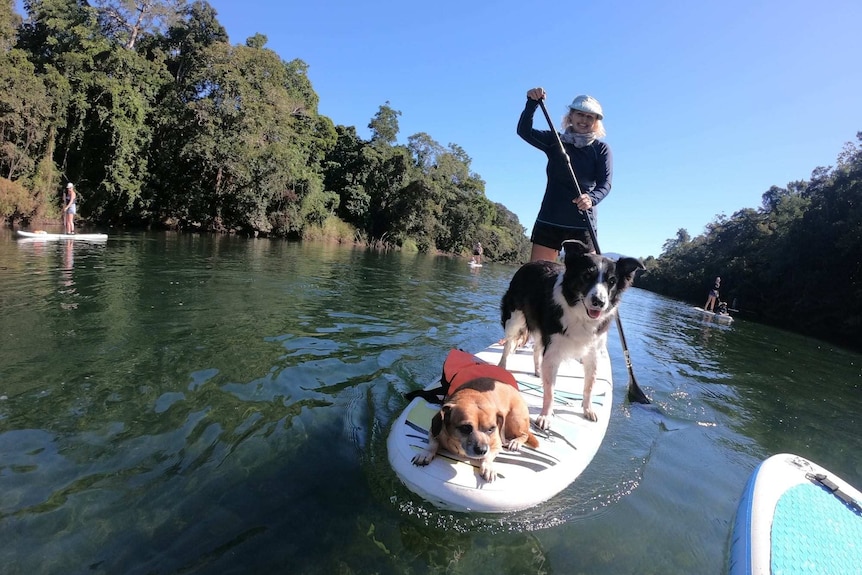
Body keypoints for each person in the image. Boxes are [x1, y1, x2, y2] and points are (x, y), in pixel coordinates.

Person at [517, 87, 612, 262]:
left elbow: (605, 184)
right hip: (550, 218)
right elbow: (524, 131)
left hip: (582, 223)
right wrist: (531, 103)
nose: (584, 120)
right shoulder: (555, 141)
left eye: (589, 117)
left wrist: (591, 198)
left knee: (581, 283)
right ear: (571, 117)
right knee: (538, 278)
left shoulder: (601, 149)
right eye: (580, 114)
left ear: (596, 122)